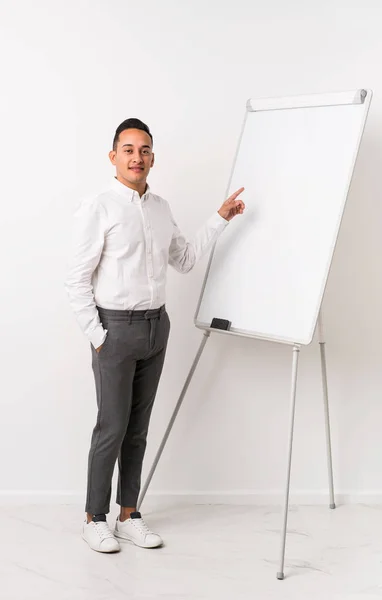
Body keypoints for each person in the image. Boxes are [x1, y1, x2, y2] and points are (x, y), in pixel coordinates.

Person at [65, 118, 245, 553]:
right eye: (128, 149)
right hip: (115, 329)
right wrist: (99, 335)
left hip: (155, 327)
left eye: (144, 150)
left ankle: (129, 514)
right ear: (113, 157)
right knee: (111, 426)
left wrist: (220, 219)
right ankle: (95, 517)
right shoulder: (99, 207)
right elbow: (76, 279)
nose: (137, 157)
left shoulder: (161, 207)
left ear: (153, 158)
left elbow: (183, 260)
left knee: (138, 428)